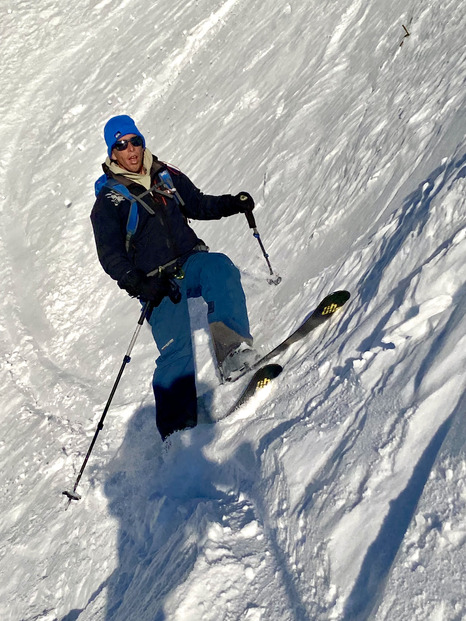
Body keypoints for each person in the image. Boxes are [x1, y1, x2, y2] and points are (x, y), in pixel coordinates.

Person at [91, 115, 259, 440]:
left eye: (135, 141)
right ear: (112, 152)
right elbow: (110, 255)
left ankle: (233, 354)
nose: (131, 149)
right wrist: (139, 284)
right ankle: (176, 432)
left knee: (219, 268)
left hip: (189, 259)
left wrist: (231, 203)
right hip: (156, 284)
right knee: (176, 350)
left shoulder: (164, 174)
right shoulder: (108, 201)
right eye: (121, 145)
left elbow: (196, 203)